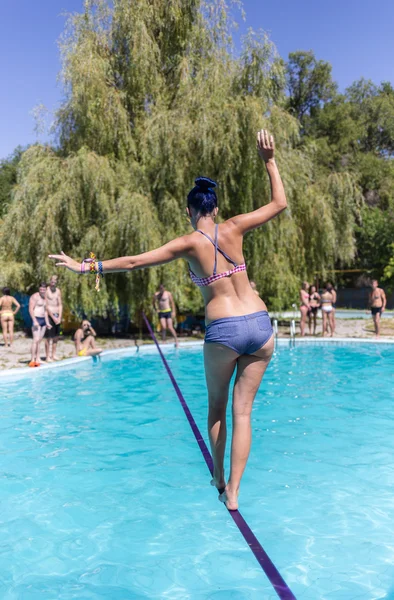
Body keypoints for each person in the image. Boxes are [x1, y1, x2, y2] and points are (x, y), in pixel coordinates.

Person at [49, 129, 287, 511]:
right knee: (243, 413)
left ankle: (218, 477)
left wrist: (85, 266)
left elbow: (134, 261)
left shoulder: (190, 242)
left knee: (217, 408)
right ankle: (235, 493)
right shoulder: (236, 226)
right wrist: (269, 161)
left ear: (191, 211)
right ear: (216, 208)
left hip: (225, 330)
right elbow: (279, 203)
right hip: (260, 325)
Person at [28, 282, 51, 367]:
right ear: (39, 289)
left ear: (46, 290)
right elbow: (30, 309)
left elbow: (45, 311)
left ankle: (38, 358)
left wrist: (47, 322)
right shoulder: (35, 297)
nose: (42, 291)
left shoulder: (46, 298)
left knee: (40, 340)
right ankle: (32, 359)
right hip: (36, 319)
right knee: (35, 340)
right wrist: (35, 321)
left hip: (43, 321)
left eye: (43, 289)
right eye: (40, 289)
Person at [45, 275, 63, 362]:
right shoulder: (46, 290)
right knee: (49, 337)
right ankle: (47, 356)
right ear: (50, 280)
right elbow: (46, 305)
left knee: (56, 337)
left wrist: (59, 316)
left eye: (55, 280)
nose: (53, 282)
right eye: (52, 280)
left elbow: (60, 304)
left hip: (57, 316)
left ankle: (53, 355)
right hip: (49, 316)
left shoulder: (58, 291)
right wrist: (52, 317)